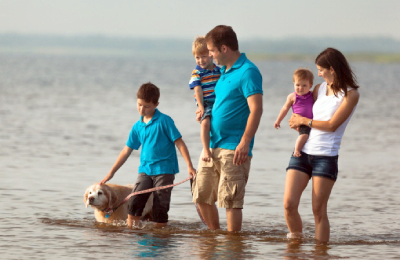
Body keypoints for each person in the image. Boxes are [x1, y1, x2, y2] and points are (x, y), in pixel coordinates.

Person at [191, 25, 263, 232]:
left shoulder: (248, 72)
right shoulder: (222, 72)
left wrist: (245, 142)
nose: (210, 56)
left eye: (212, 51)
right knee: (202, 195)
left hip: (234, 148)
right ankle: (214, 238)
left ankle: (233, 246)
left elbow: (256, 110)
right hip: (212, 146)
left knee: (230, 201)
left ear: (224, 48)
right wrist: (202, 110)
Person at [284, 48, 360, 242]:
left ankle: (320, 253)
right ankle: (295, 245)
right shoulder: (318, 89)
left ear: (332, 69)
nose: (318, 73)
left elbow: (332, 125)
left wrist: (304, 121)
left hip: (326, 157)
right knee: (289, 204)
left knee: (318, 211)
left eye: (320, 69)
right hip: (301, 153)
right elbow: (306, 116)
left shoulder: (350, 95)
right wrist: (297, 122)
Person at [100, 82, 196, 229]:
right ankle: (133, 235)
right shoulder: (137, 126)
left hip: (165, 170)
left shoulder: (165, 121)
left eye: (146, 106)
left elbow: (180, 143)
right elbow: (126, 151)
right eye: (139, 105)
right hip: (145, 170)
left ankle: (159, 240)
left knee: (160, 206)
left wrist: (189, 166)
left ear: (156, 104)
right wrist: (110, 173)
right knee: (134, 202)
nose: (142, 109)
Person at [189, 36, 221, 162]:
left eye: (204, 56)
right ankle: (206, 150)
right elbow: (197, 90)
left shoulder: (219, 70)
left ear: (211, 54)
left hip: (218, 102)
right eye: (197, 57)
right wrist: (200, 107)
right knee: (205, 123)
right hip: (206, 103)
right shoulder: (197, 73)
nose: (200, 60)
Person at [274, 68, 314, 157]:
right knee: (304, 134)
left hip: (309, 121)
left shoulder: (312, 95)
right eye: (297, 85)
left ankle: (306, 150)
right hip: (299, 122)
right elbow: (285, 109)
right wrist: (278, 120)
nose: (300, 88)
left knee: (311, 135)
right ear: (293, 84)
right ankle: (297, 150)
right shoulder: (292, 97)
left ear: (310, 85)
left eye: (304, 85)